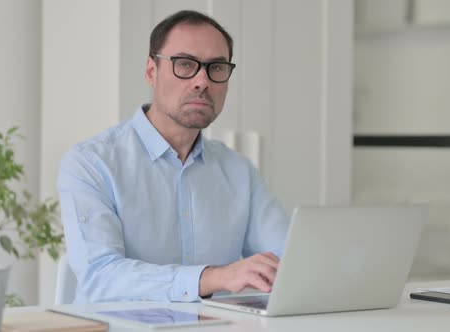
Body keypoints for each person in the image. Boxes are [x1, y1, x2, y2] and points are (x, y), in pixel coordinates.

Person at [57, 10, 289, 304]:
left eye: (216, 67)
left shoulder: (239, 171)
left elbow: (287, 261)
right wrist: (213, 277)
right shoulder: (91, 163)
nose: (202, 81)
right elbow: (100, 277)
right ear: (151, 72)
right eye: (185, 64)